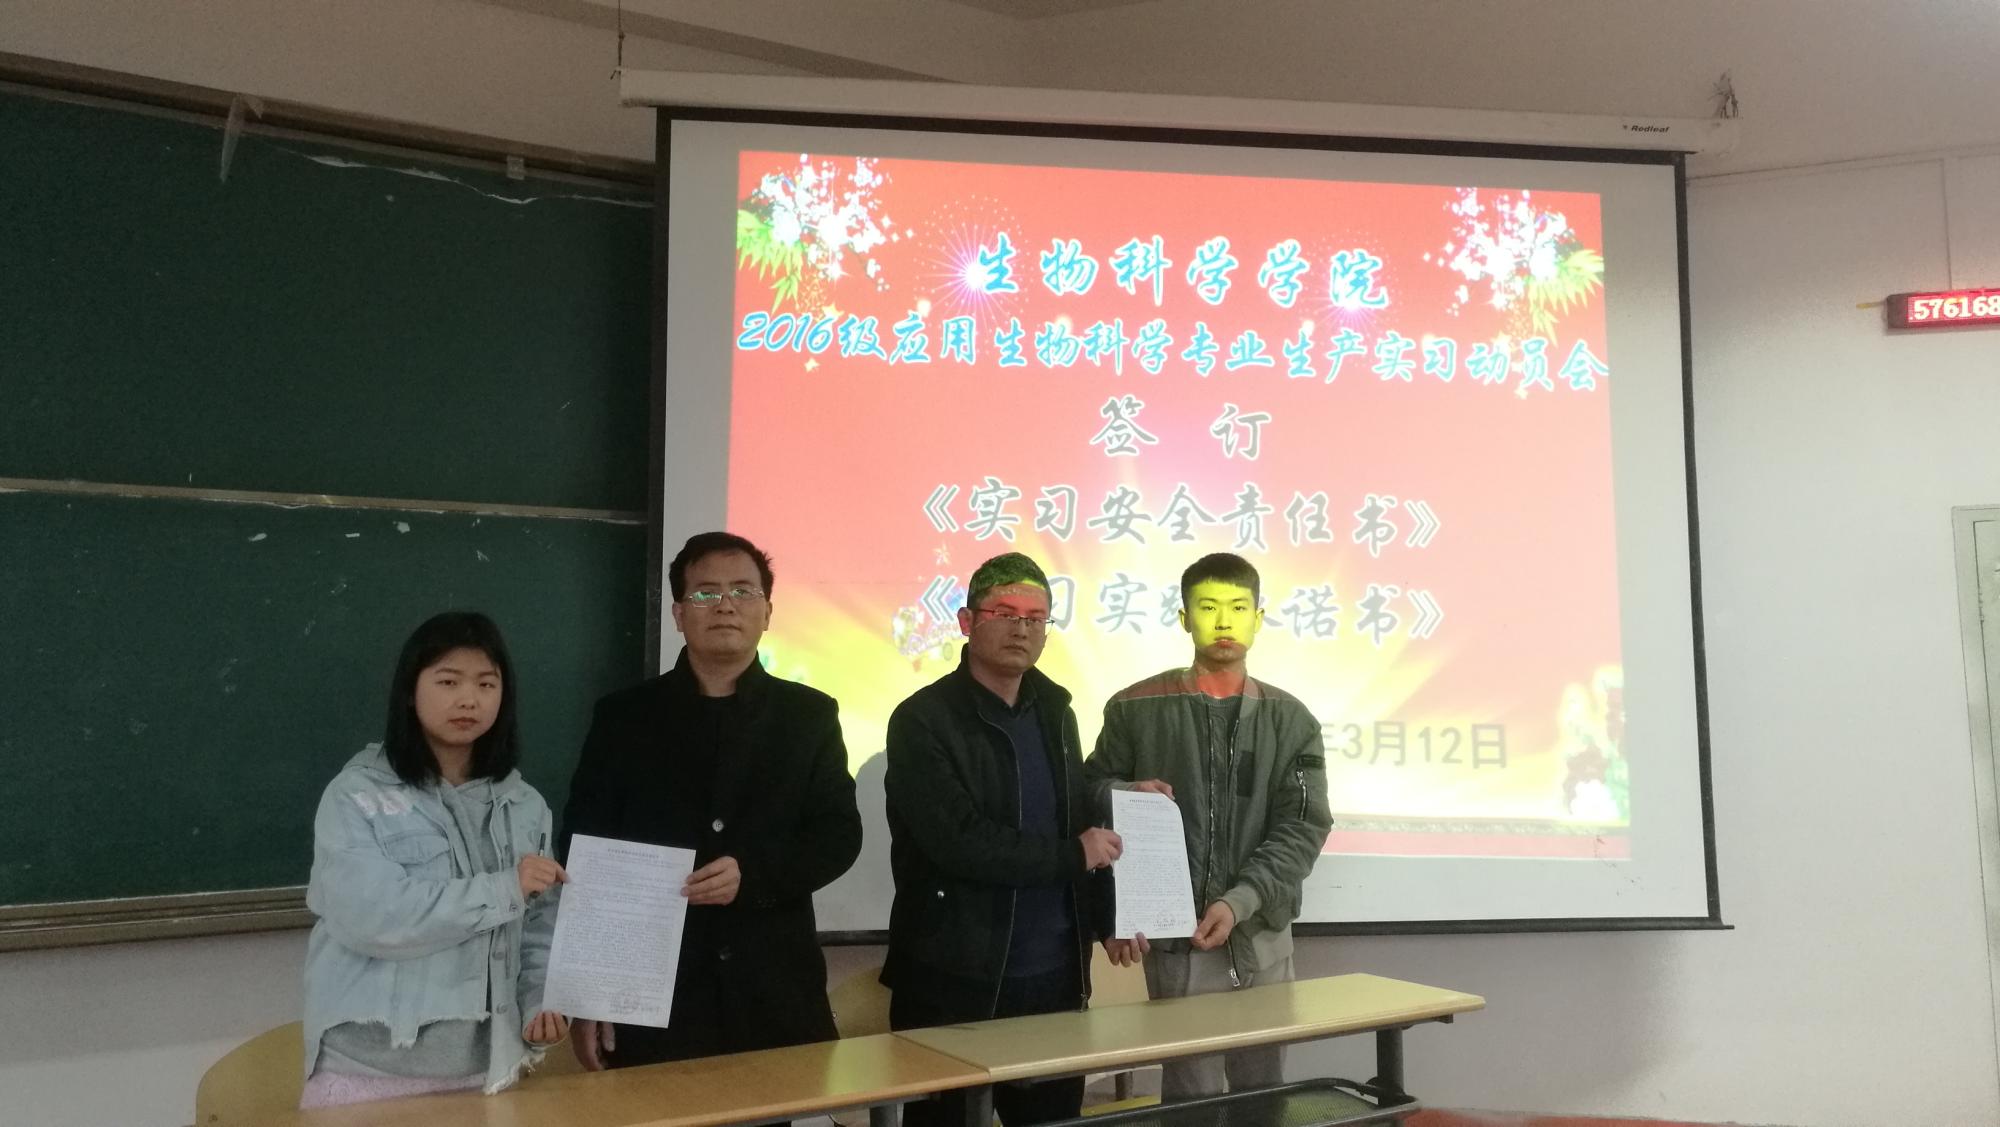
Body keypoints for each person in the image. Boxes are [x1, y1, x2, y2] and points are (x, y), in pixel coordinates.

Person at [562, 531, 861, 1075]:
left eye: (743, 591)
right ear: (679, 614)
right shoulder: (624, 717)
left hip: (773, 990)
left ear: (768, 613)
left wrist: (754, 876)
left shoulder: (808, 716)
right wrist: (591, 994)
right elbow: (587, 849)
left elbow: (838, 835)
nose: (725, 605)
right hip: (653, 995)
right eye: (705, 593)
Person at [883, 551, 1120, 1127]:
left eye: (1036, 618)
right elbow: (957, 842)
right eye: (1005, 613)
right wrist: (1074, 854)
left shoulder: (1056, 711)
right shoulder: (922, 719)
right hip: (954, 978)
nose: (1021, 628)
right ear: (967, 622)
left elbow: (1072, 816)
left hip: (1055, 978)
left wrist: (1109, 916)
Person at [1086, 552, 1333, 1100]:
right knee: (1190, 1096)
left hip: (1261, 935)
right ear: (1184, 618)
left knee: (1263, 1093)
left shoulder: (1291, 719)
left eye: (1238, 607)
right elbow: (1089, 795)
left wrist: (1240, 900)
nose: (1224, 621)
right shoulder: (1134, 707)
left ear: (1258, 618)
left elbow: (1303, 826)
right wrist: (1120, 793)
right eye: (1208, 607)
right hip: (1178, 943)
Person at [300, 611, 568, 1108]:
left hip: (490, 1068)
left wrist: (541, 1001)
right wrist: (503, 889)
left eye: (486, 684)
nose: (469, 699)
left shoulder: (525, 805)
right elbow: (371, 916)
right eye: (448, 681)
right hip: (369, 1070)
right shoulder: (356, 795)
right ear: (410, 690)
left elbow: (541, 925)